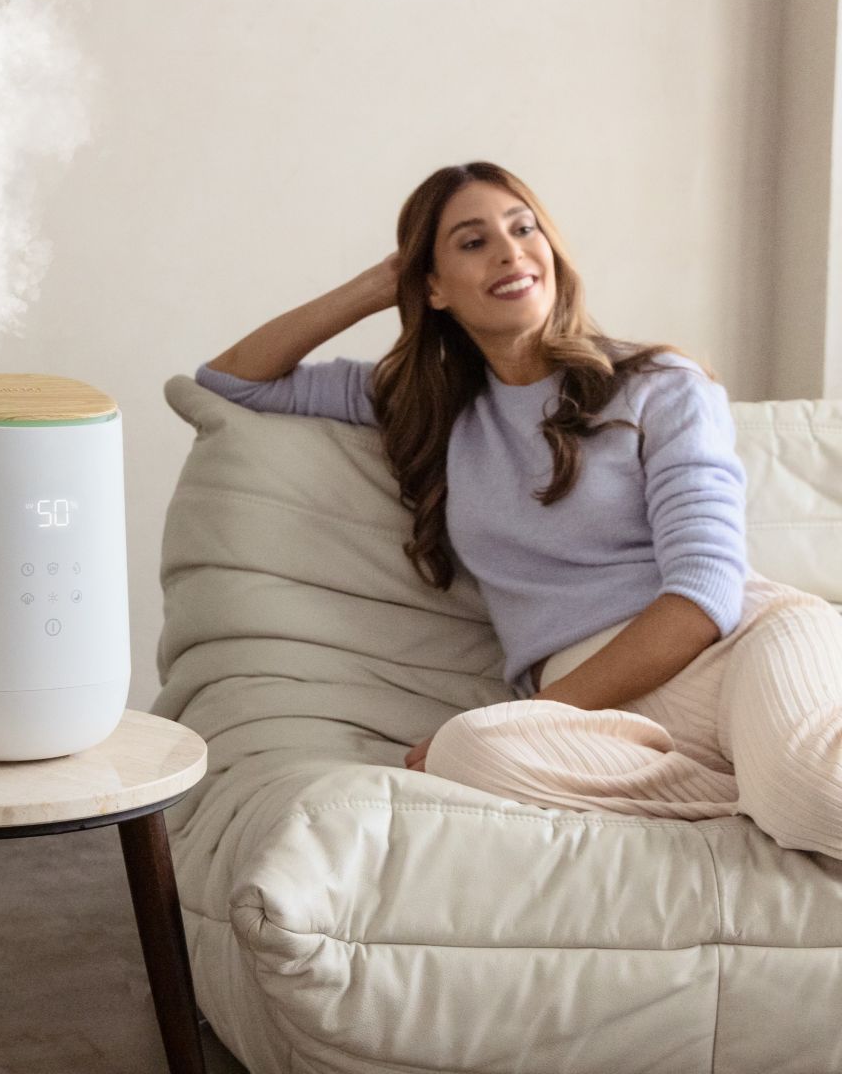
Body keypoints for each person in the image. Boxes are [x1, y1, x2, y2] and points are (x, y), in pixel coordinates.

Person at [195, 160, 842, 860]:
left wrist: (536, 713)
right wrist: (381, 285)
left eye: (523, 227)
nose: (509, 251)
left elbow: (706, 591)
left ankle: (777, 791)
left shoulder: (658, 385)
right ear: (434, 287)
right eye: (472, 242)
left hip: (743, 651)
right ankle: (751, 797)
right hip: (606, 720)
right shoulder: (431, 410)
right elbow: (233, 380)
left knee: (803, 788)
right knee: (469, 752)